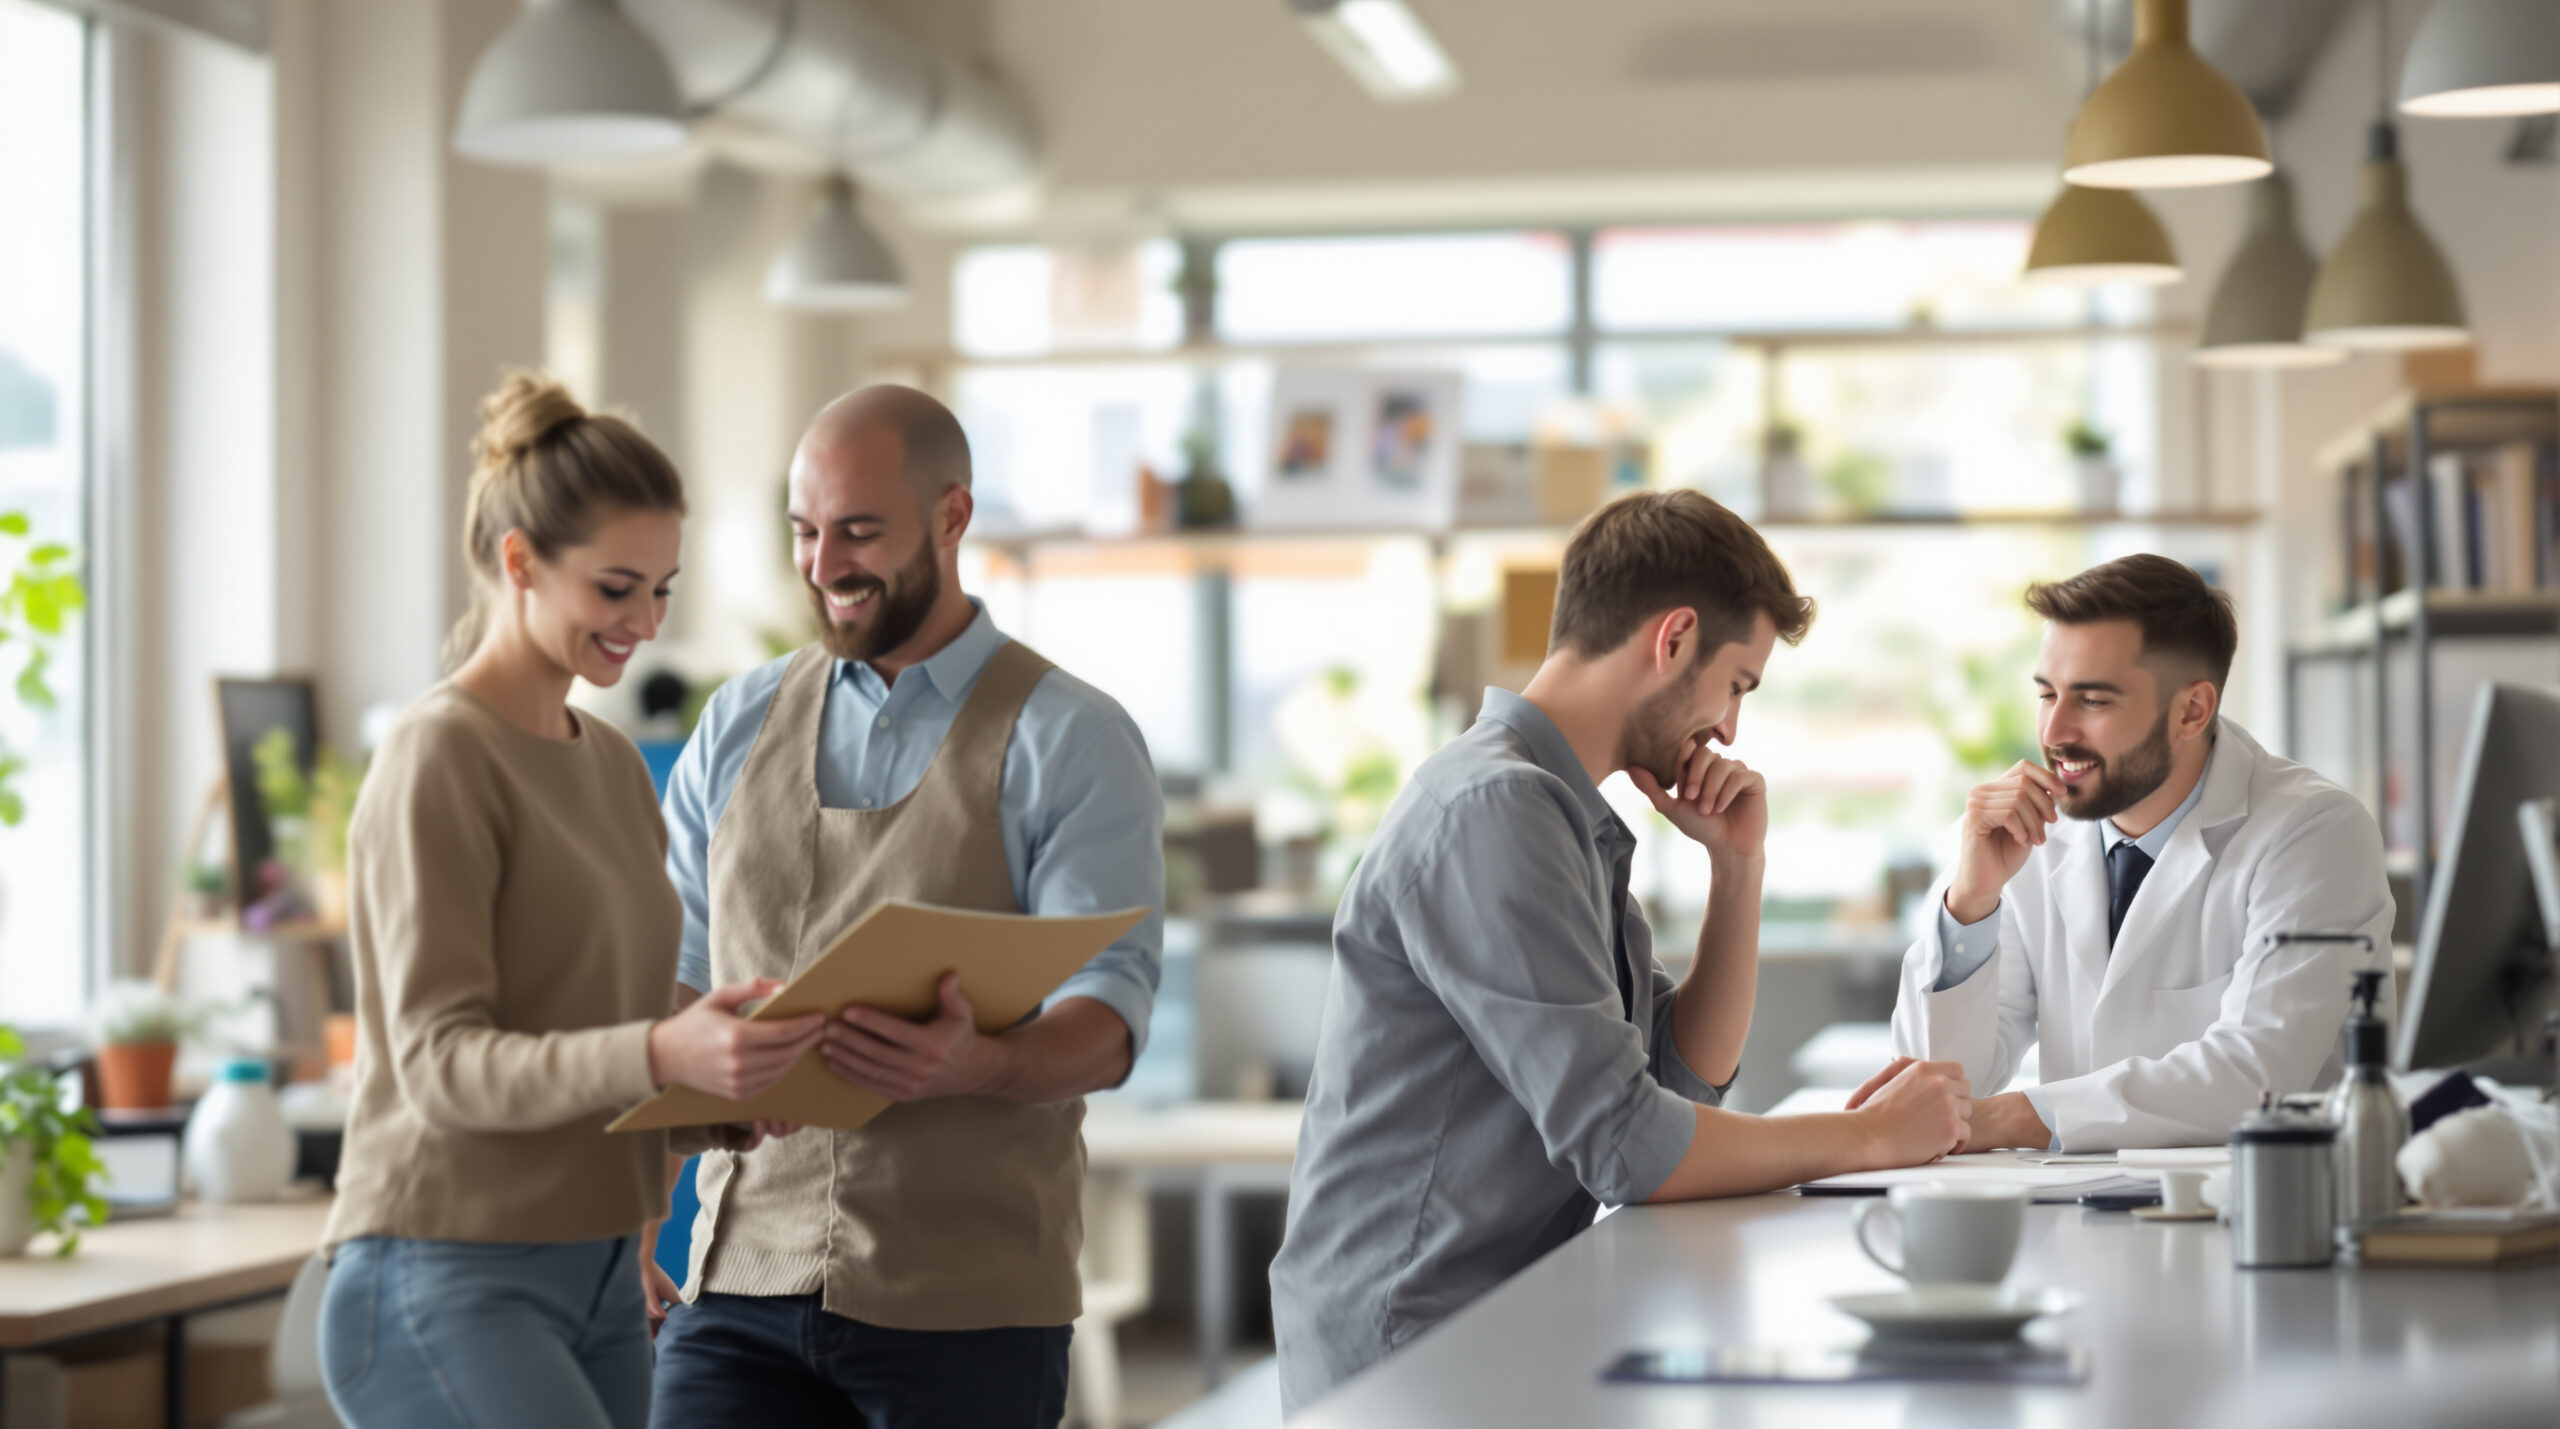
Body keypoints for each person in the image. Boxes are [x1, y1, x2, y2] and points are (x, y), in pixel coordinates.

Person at [1270, 489, 1973, 1414]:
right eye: (1738, 684)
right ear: (1673, 638)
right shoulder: (1495, 811)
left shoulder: (1561, 817)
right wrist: (1873, 1137)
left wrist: (1738, 865)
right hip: (1415, 1349)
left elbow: (1681, 1082)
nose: (1728, 728)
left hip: (1492, 1323)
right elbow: (1631, 1146)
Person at [646, 384, 1165, 1429]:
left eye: (859, 530)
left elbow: (1107, 1022)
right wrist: (621, 1226)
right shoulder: (734, 725)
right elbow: (673, 994)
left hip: (968, 1310)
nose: (825, 563)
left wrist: (986, 1063)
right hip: (737, 1288)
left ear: (952, 516)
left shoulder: (1071, 737)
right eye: (804, 530)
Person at [319, 374, 825, 1429]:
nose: (642, 622)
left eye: (662, 590)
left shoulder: (607, 763)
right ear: (519, 562)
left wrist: (723, 1099)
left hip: (602, 1273)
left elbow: (593, 1051)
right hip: (446, 1273)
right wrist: (665, 1052)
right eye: (613, 587)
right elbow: (442, 1065)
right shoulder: (439, 755)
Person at [1877, 554, 2395, 1152]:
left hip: (2254, 1210)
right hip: (2079, 1215)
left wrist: (2014, 1117)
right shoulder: (2028, 839)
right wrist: (1971, 902)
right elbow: (1932, 1088)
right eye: (2048, 694)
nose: (2054, 732)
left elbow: (2257, 1073)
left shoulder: (2313, 831)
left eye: (2093, 701)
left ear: (2192, 710)